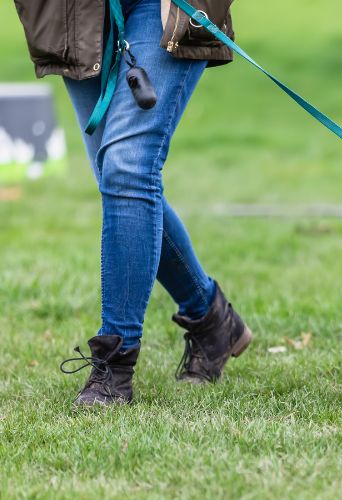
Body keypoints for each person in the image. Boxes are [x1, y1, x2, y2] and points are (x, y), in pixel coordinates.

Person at [14, 0, 253, 406]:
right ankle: (211, 318)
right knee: (119, 179)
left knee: (128, 169)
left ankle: (113, 369)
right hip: (76, 12)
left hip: (162, 8)